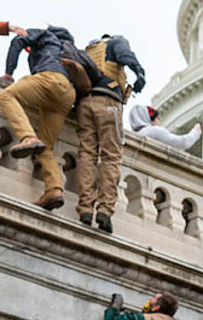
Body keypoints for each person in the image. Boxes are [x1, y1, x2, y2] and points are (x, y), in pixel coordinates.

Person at [0, 27, 76, 212]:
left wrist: (9, 72)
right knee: (45, 146)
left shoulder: (46, 35)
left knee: (5, 97)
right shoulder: (74, 53)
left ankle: (27, 137)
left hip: (50, 78)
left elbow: (18, 41)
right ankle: (54, 189)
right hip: (67, 96)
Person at [75, 35, 147, 234]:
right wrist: (139, 73)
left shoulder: (88, 49)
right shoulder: (116, 42)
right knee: (111, 157)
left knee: (87, 154)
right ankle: (105, 211)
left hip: (84, 104)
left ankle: (86, 208)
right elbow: (126, 56)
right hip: (108, 103)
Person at [129, 106, 202, 150]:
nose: (159, 123)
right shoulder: (154, 131)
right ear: (151, 119)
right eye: (158, 118)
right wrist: (195, 133)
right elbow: (182, 143)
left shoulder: (134, 135)